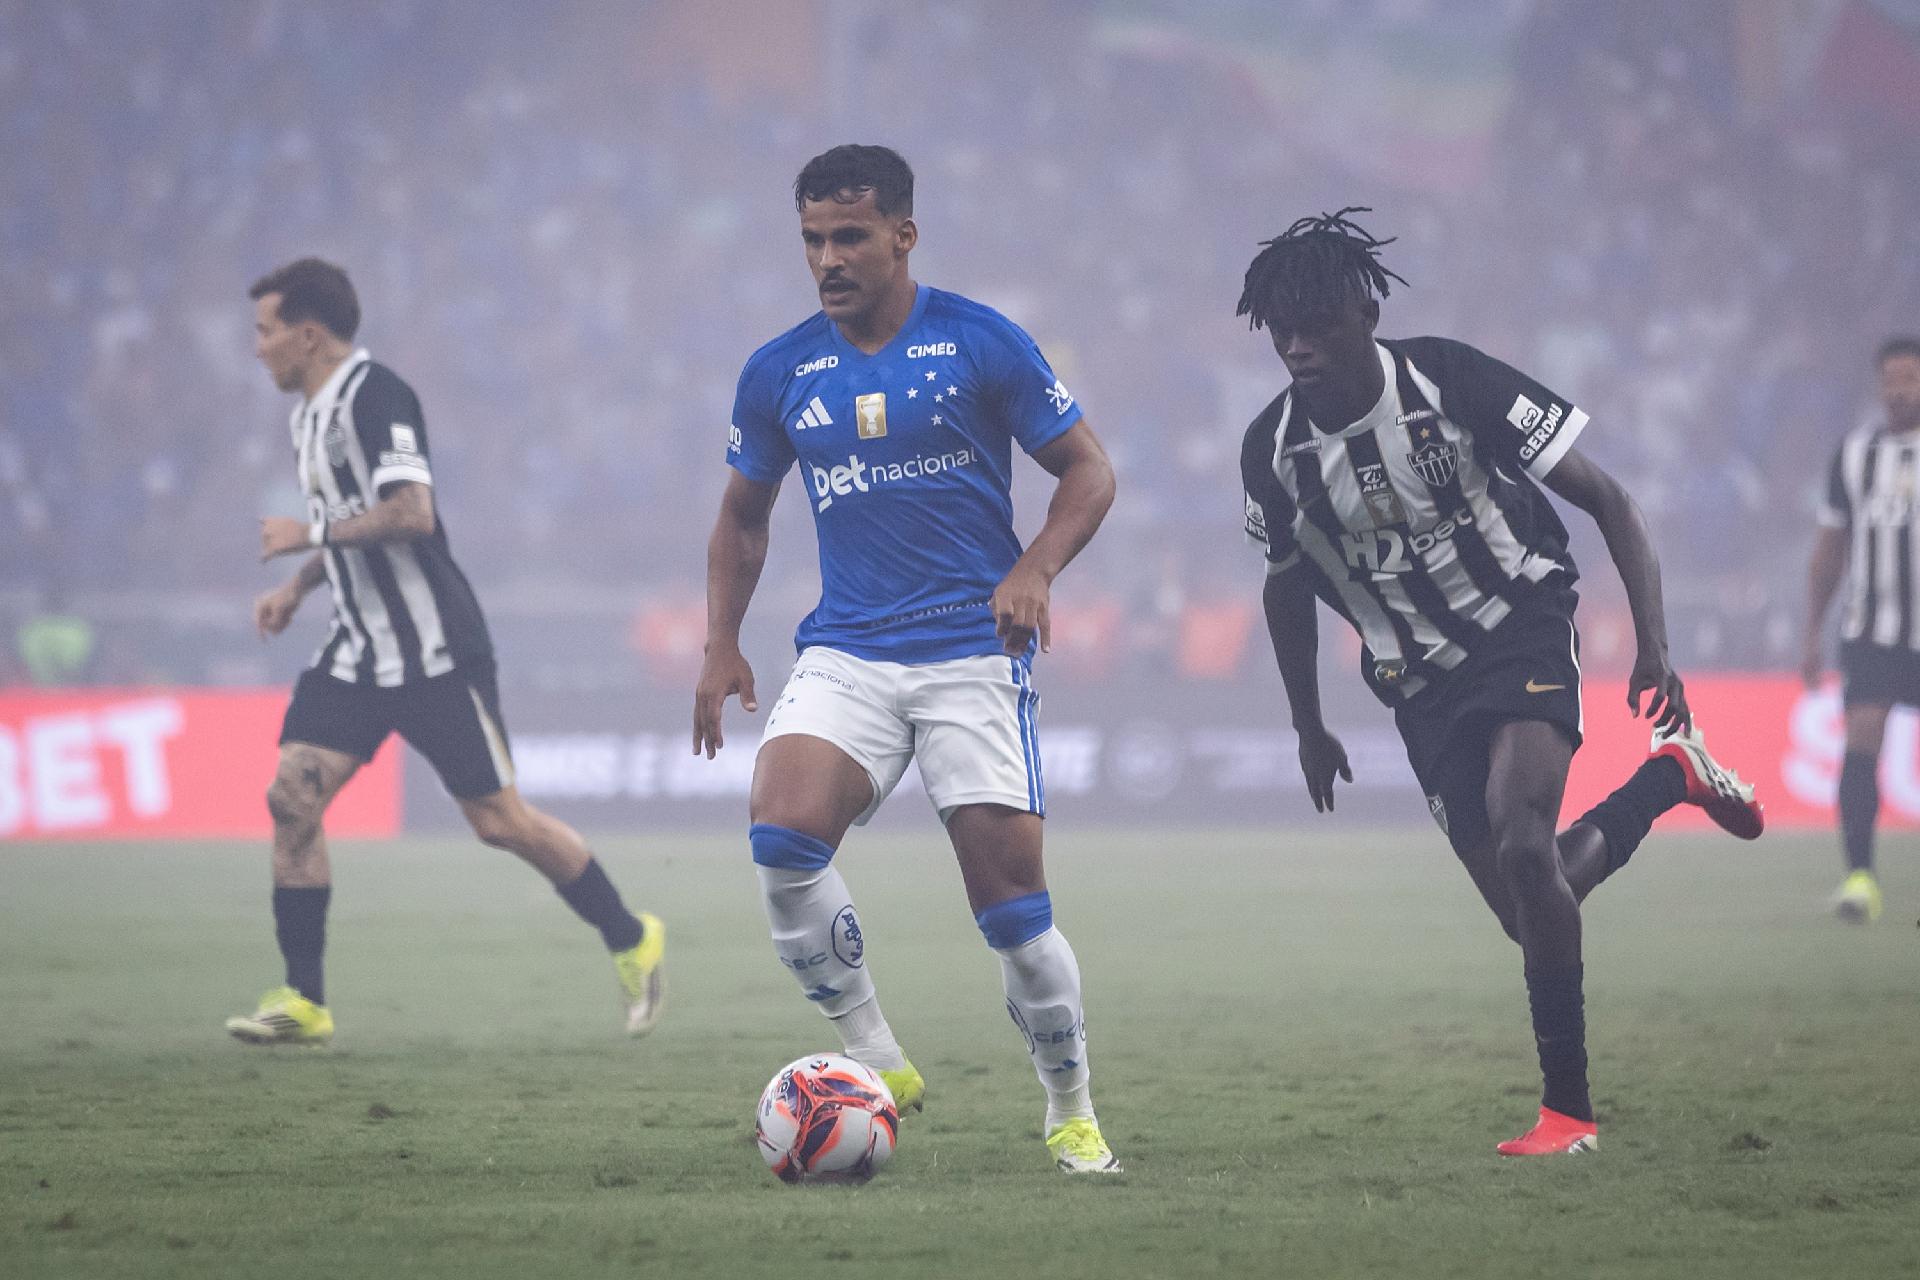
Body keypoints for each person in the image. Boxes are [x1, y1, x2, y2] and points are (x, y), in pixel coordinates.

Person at [1236, 210, 1764, 1156]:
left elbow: (1610, 499)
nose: (1297, 347)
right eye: (1282, 330)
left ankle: (1569, 1115)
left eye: (1315, 325)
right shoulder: (1270, 451)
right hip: (1416, 681)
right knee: (1531, 910)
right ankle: (1670, 777)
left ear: (1366, 314)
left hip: (1519, 623)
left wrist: (1654, 646)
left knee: (1525, 847)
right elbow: (1286, 589)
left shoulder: (1452, 379)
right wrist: (1307, 725)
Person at [694, 145, 1121, 1174]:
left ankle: (1071, 1110)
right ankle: (878, 1054)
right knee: (781, 834)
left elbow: (1089, 472)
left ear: (903, 235)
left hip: (972, 649)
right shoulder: (779, 370)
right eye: (812, 240)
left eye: (849, 236)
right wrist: (721, 643)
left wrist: (1034, 569)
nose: (828, 259)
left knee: (1013, 913)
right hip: (849, 647)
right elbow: (743, 516)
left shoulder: (979, 341)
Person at [230, 258, 663, 1044]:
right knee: (291, 798)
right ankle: (305, 999)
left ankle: (630, 935)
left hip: (435, 653)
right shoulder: (306, 418)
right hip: (356, 652)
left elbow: (412, 512)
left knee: (501, 823)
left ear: (309, 334)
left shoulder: (377, 395)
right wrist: (299, 586)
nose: (256, 348)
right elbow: (355, 521)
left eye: (265, 332)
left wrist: (306, 533)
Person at [1802, 335, 1920, 923]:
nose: (1899, 391)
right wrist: (1811, 631)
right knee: (1863, 738)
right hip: (1871, 630)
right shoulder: (1853, 455)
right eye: (1890, 380)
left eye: (1910, 379)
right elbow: (1830, 548)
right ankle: (1859, 878)